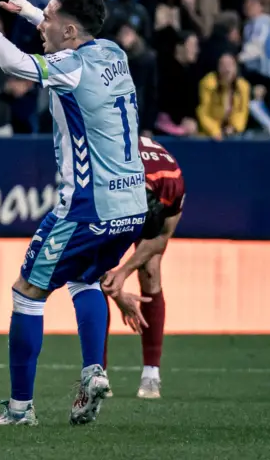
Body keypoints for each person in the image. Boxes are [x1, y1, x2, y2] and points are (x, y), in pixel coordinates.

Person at [0, 0, 148, 426]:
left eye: (48, 18)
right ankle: (93, 372)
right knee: (86, 279)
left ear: (69, 31)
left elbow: (13, 64)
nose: (41, 24)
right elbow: (68, 35)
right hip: (132, 206)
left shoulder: (70, 66)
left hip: (87, 207)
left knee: (27, 292)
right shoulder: (112, 52)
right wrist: (27, 9)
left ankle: (20, 410)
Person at [101, 137, 186, 400]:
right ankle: (97, 373)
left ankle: (151, 374)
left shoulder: (172, 181)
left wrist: (123, 272)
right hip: (112, 193)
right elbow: (90, 259)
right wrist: (117, 293)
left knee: (151, 269)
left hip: (150, 183)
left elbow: (162, 237)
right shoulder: (106, 178)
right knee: (93, 278)